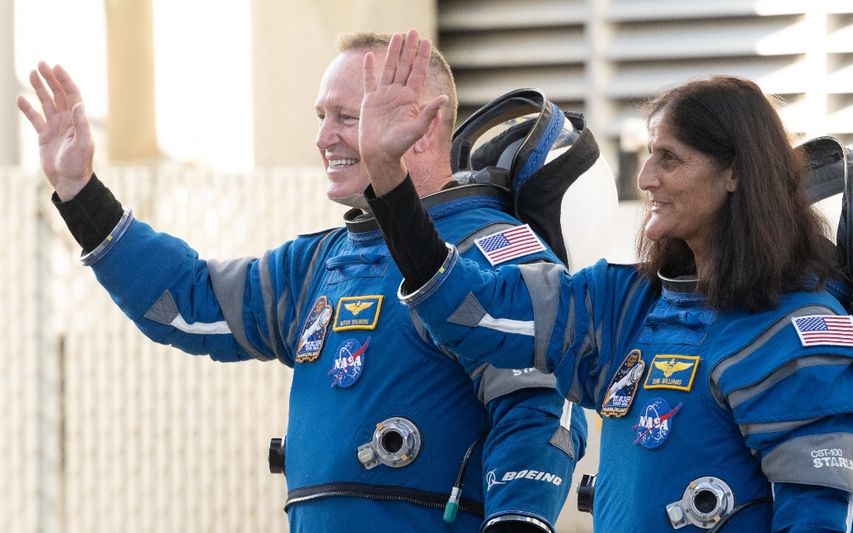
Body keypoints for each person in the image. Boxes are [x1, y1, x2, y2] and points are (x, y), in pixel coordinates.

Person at [16, 30, 586, 532]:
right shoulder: (322, 262)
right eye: (321, 117)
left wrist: (519, 520)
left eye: (347, 117)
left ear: (423, 124)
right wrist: (81, 192)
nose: (324, 138)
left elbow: (541, 406)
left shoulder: (490, 248)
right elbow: (186, 302)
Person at [358, 37, 853, 532]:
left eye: (669, 158)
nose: (646, 176)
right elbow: (469, 310)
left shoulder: (798, 332)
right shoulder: (625, 303)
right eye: (648, 153)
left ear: (735, 174)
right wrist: (388, 174)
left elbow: (818, 519)